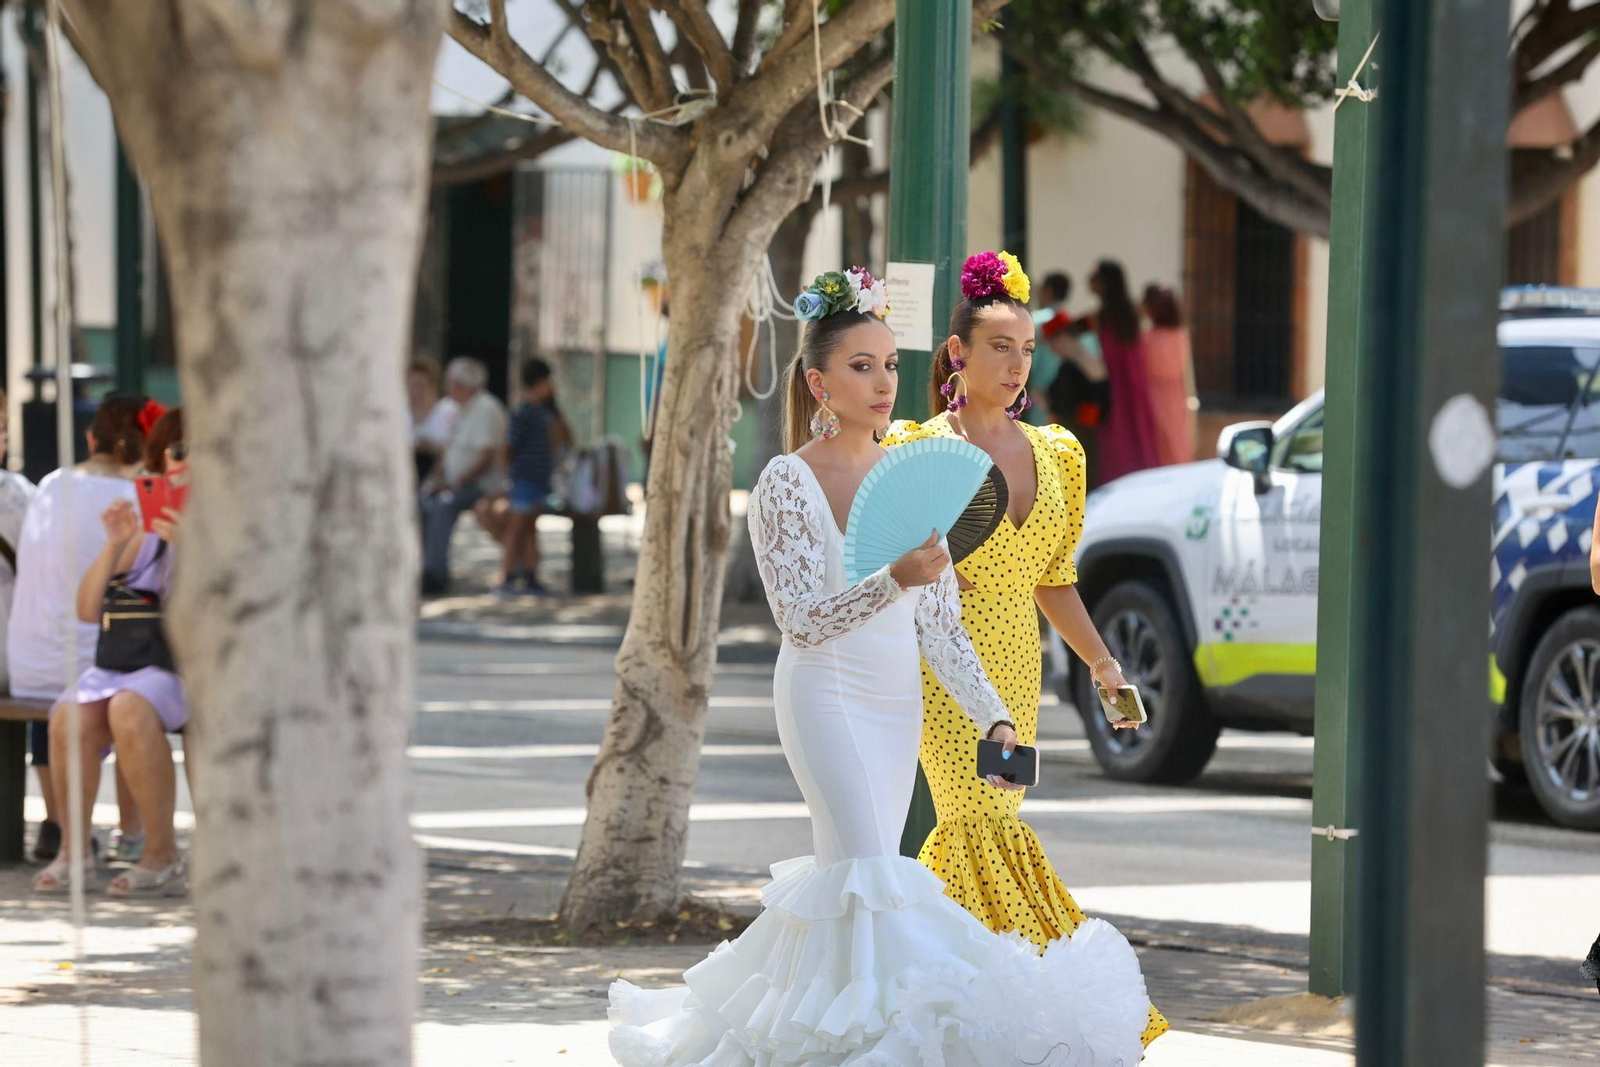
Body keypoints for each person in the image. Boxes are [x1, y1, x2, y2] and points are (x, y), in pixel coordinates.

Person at [606, 267, 1151, 1066]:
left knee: (853, 885)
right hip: (826, 696)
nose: (884, 381)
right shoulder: (786, 481)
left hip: (898, 704)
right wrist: (893, 576)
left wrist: (991, 711)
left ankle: (797, 1035)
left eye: (892, 364)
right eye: (862, 365)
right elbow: (801, 621)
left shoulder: (909, 472)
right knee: (870, 871)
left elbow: (940, 628)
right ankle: (884, 1046)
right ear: (819, 381)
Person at [884, 250, 1170, 1049]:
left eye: (1026, 348)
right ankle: (1017, 1002)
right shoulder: (917, 447)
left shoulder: (1058, 454)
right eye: (999, 347)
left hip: (1021, 661)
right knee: (974, 826)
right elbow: (888, 566)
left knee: (992, 820)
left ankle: (964, 1010)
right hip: (946, 667)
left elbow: (1054, 580)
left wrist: (1103, 664)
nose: (1016, 364)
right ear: (957, 355)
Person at [33, 406, 188, 896]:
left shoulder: (224, 522)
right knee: (67, 714)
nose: (188, 463)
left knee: (128, 708)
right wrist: (114, 544)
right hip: (128, 660)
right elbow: (86, 608)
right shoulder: (147, 520)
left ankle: (161, 852)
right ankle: (73, 851)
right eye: (177, 452)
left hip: (183, 663)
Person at [8, 395, 153, 863]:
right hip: (91, 667)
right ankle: (133, 831)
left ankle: (62, 826)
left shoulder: (49, 485)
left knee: (68, 689)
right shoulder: (136, 502)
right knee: (134, 690)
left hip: (25, 663)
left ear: (92, 438)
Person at [477, 357, 570, 595]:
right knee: (516, 528)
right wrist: (509, 476)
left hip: (538, 480)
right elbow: (508, 446)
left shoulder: (545, 412)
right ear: (540, 382)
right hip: (524, 481)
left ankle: (531, 574)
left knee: (529, 529)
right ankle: (506, 575)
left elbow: (564, 440)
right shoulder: (523, 411)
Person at [419, 357, 507, 595]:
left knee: (442, 505)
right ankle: (423, 568)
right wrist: (432, 482)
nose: (448, 387)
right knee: (422, 501)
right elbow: (448, 453)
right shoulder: (457, 409)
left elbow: (486, 458)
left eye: (451, 382)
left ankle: (434, 576)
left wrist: (453, 484)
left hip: (481, 486)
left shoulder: (486, 407)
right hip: (456, 482)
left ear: (461, 384)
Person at [1084, 259, 1160, 484]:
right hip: (1130, 390)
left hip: (1115, 393)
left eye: (1095, 278)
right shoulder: (1127, 313)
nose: (1089, 282)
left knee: (1116, 446)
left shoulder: (1106, 316)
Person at [1142, 283, 1198, 466]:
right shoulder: (1181, 336)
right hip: (1176, 397)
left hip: (1153, 397)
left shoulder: (1147, 339)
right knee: (1177, 447)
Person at [408, 354, 457, 486]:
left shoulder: (448, 409)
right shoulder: (399, 411)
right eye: (412, 384)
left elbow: (454, 448)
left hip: (436, 471)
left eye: (420, 385)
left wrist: (431, 447)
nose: (415, 390)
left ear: (432, 384)